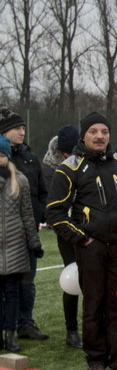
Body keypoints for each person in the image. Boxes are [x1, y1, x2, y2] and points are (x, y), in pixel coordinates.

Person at [46, 112, 117, 370]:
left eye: (104, 131)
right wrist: (82, 239)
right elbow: (55, 212)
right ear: (84, 135)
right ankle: (95, 361)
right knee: (93, 305)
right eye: (94, 131)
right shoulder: (69, 168)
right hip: (90, 248)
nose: (100, 136)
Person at [0, 107, 49, 340]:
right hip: (5, 233)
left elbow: (41, 190)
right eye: (17, 128)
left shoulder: (30, 157)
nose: (22, 132)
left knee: (28, 281)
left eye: (23, 128)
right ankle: (6, 326)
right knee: (6, 285)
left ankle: (26, 323)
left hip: (26, 232)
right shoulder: (3, 157)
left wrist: (40, 214)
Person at [42, 125, 83, 349]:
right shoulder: (51, 169)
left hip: (87, 226)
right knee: (73, 276)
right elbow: (54, 204)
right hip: (67, 230)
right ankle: (71, 330)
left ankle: (96, 326)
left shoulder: (85, 163)